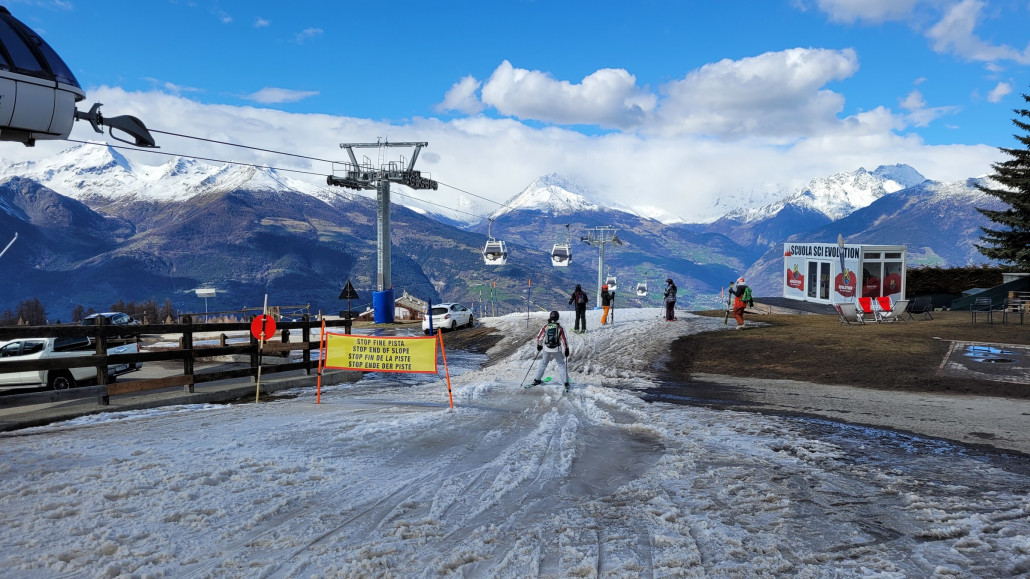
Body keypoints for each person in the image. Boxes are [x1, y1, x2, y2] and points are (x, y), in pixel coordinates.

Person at [531, 310, 570, 391]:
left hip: (546, 349)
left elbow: (539, 337)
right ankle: (565, 382)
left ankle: (537, 380)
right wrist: (566, 349)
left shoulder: (546, 326)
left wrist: (539, 345)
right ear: (557, 318)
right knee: (561, 364)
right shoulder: (560, 328)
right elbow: (564, 339)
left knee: (543, 363)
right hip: (557, 349)